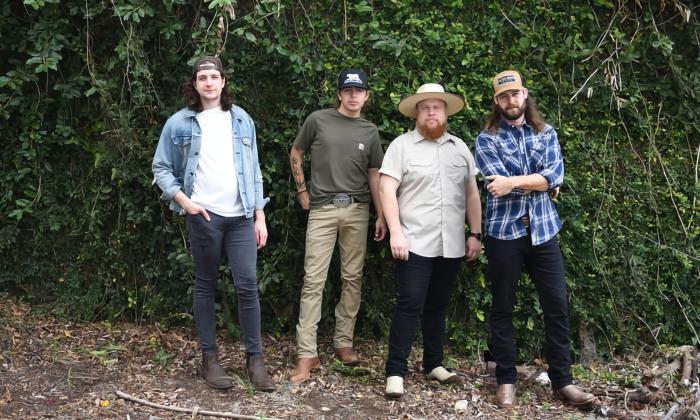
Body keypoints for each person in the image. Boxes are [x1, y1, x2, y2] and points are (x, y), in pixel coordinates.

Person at [152, 56, 275, 392]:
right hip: (204, 217)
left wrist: (259, 214)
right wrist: (186, 203)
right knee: (206, 285)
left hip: (241, 219)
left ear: (223, 82)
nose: (209, 82)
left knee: (247, 284)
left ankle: (255, 360)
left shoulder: (241, 119)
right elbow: (161, 168)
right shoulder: (179, 123)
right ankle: (210, 359)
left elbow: (254, 169)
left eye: (214, 77)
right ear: (195, 84)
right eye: (202, 77)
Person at [475, 70, 595, 407]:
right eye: (503, 97)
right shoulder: (486, 139)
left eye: (515, 94)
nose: (510, 101)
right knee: (502, 308)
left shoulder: (546, 133)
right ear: (496, 101)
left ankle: (564, 382)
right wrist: (539, 181)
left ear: (525, 95)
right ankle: (506, 380)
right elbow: (496, 181)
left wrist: (514, 182)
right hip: (504, 234)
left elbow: (555, 176)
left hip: (544, 232)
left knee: (556, 306)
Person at [380, 83, 482, 398]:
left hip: (451, 243)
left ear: (445, 112)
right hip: (413, 241)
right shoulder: (401, 146)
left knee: (437, 306)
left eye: (437, 107)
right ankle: (395, 372)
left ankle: (434, 363)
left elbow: (471, 194)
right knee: (409, 304)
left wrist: (475, 233)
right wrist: (396, 232)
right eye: (425, 108)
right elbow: (386, 189)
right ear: (417, 113)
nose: (432, 112)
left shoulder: (459, 148)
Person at [288, 69, 386, 383]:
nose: (353, 95)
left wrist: (381, 214)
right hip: (322, 209)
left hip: (357, 210)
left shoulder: (370, 131)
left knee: (352, 278)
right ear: (340, 94)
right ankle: (307, 354)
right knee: (313, 279)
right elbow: (296, 152)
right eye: (348, 90)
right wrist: (302, 190)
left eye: (359, 91)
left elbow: (375, 174)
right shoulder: (318, 120)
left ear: (367, 95)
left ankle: (344, 343)